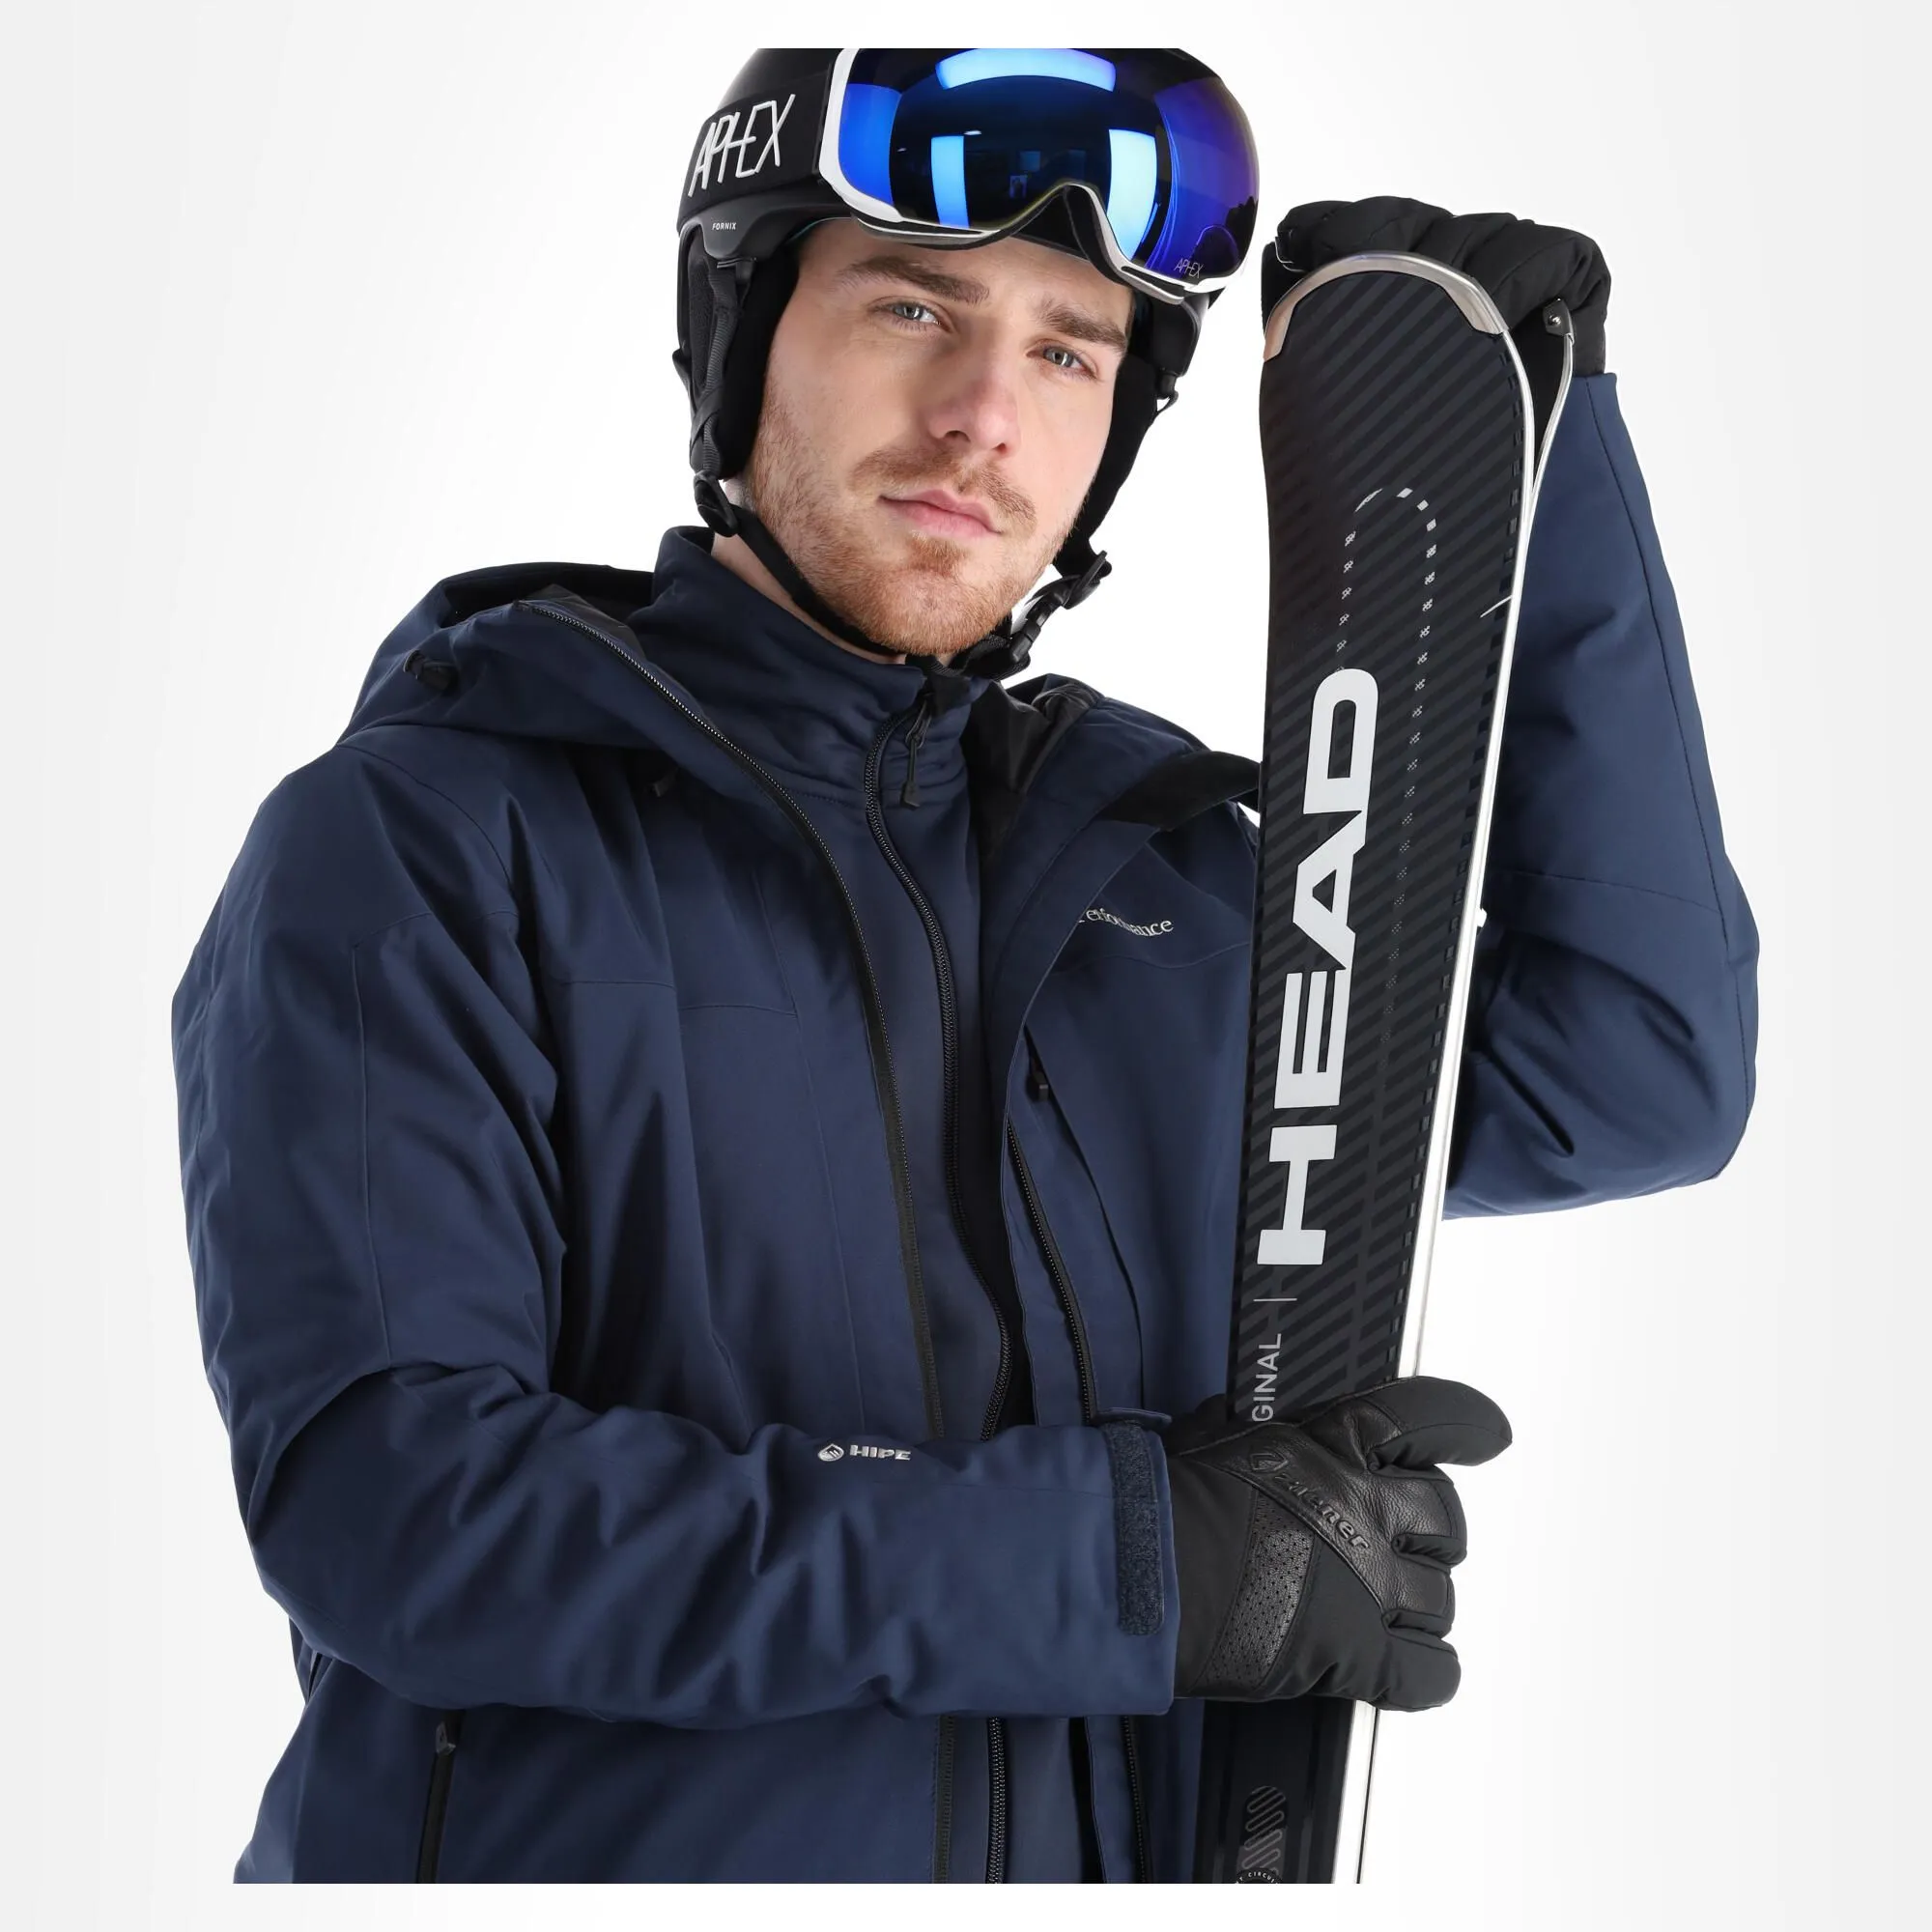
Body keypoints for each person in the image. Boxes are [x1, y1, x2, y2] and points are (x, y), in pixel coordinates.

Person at [169, 46, 1758, 1884]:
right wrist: (1124, 1567)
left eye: (1070, 353)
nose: (985, 417)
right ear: (743, 339)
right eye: (914, 308)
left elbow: (1633, 1071)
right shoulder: (432, 845)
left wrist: (1538, 476)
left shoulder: (1165, 892)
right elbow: (402, 1513)